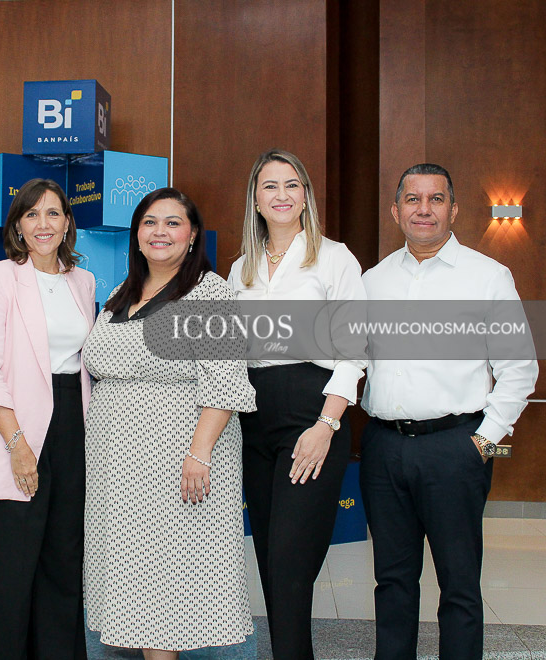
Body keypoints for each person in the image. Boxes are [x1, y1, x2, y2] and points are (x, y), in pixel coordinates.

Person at [360, 163, 538, 659]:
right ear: (396, 211)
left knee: (459, 585)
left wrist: (483, 440)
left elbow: (520, 368)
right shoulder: (373, 282)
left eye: (436, 199)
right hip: (383, 446)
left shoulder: (487, 277)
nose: (424, 209)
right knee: (392, 582)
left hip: (454, 449)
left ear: (453, 210)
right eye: (412, 199)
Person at [83, 187, 256, 659]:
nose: (160, 232)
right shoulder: (123, 293)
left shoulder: (209, 292)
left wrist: (199, 455)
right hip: (118, 472)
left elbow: (225, 384)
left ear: (193, 233)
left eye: (173, 222)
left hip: (178, 463)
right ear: (136, 235)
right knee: (134, 583)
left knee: (167, 586)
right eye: (150, 223)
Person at [226, 148, 367, 659]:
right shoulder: (241, 268)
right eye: (270, 186)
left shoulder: (334, 258)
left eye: (291, 185)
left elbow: (355, 349)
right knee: (268, 558)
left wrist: (326, 424)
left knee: (290, 560)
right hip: (251, 418)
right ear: (256, 200)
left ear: (305, 195)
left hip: (311, 413)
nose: (281, 195)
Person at [0, 178, 95, 660]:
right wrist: (18, 445)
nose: (44, 224)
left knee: (64, 570)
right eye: (32, 214)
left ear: (68, 222)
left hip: (72, 429)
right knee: (13, 580)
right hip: (13, 429)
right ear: (18, 226)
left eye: (54, 213)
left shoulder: (82, 281)